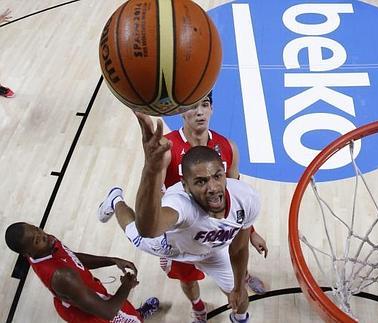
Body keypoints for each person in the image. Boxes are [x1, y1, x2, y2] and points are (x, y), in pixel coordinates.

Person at [99, 93, 267, 323]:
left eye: (205, 105)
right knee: (142, 236)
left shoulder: (227, 147)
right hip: (176, 229)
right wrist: (150, 167)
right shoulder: (165, 149)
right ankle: (115, 200)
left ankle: (241, 284)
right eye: (193, 106)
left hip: (211, 236)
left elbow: (235, 198)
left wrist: (252, 233)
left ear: (212, 108)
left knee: (238, 284)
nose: (199, 112)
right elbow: (154, 204)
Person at [4, 222, 160, 322]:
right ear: (27, 254)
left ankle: (136, 315)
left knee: (126, 309)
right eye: (37, 240)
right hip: (93, 314)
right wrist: (126, 285)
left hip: (83, 294)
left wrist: (111, 260)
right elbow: (108, 312)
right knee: (126, 316)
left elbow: (73, 257)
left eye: (37, 229)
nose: (43, 235)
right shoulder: (62, 276)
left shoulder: (45, 245)